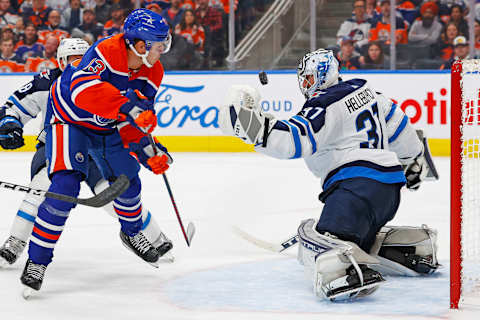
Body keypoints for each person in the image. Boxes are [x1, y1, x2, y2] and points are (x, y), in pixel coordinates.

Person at [219, 49, 439, 301]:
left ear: (324, 75)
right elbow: (401, 127)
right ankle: (410, 248)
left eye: (309, 78)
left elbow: (296, 140)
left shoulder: (324, 102)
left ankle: (346, 271)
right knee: (354, 239)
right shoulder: (369, 93)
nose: (305, 85)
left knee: (316, 245)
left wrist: (255, 128)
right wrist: (413, 162)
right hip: (388, 193)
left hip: (354, 190)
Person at [18, 8, 173, 296]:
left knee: (129, 182)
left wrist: (147, 149)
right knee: (64, 186)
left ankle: (131, 232)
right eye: (159, 44)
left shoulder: (154, 71)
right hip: (69, 121)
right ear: (141, 46)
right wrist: (128, 108)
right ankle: (37, 260)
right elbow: (81, 91)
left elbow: (137, 119)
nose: (163, 50)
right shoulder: (106, 51)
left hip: (107, 127)